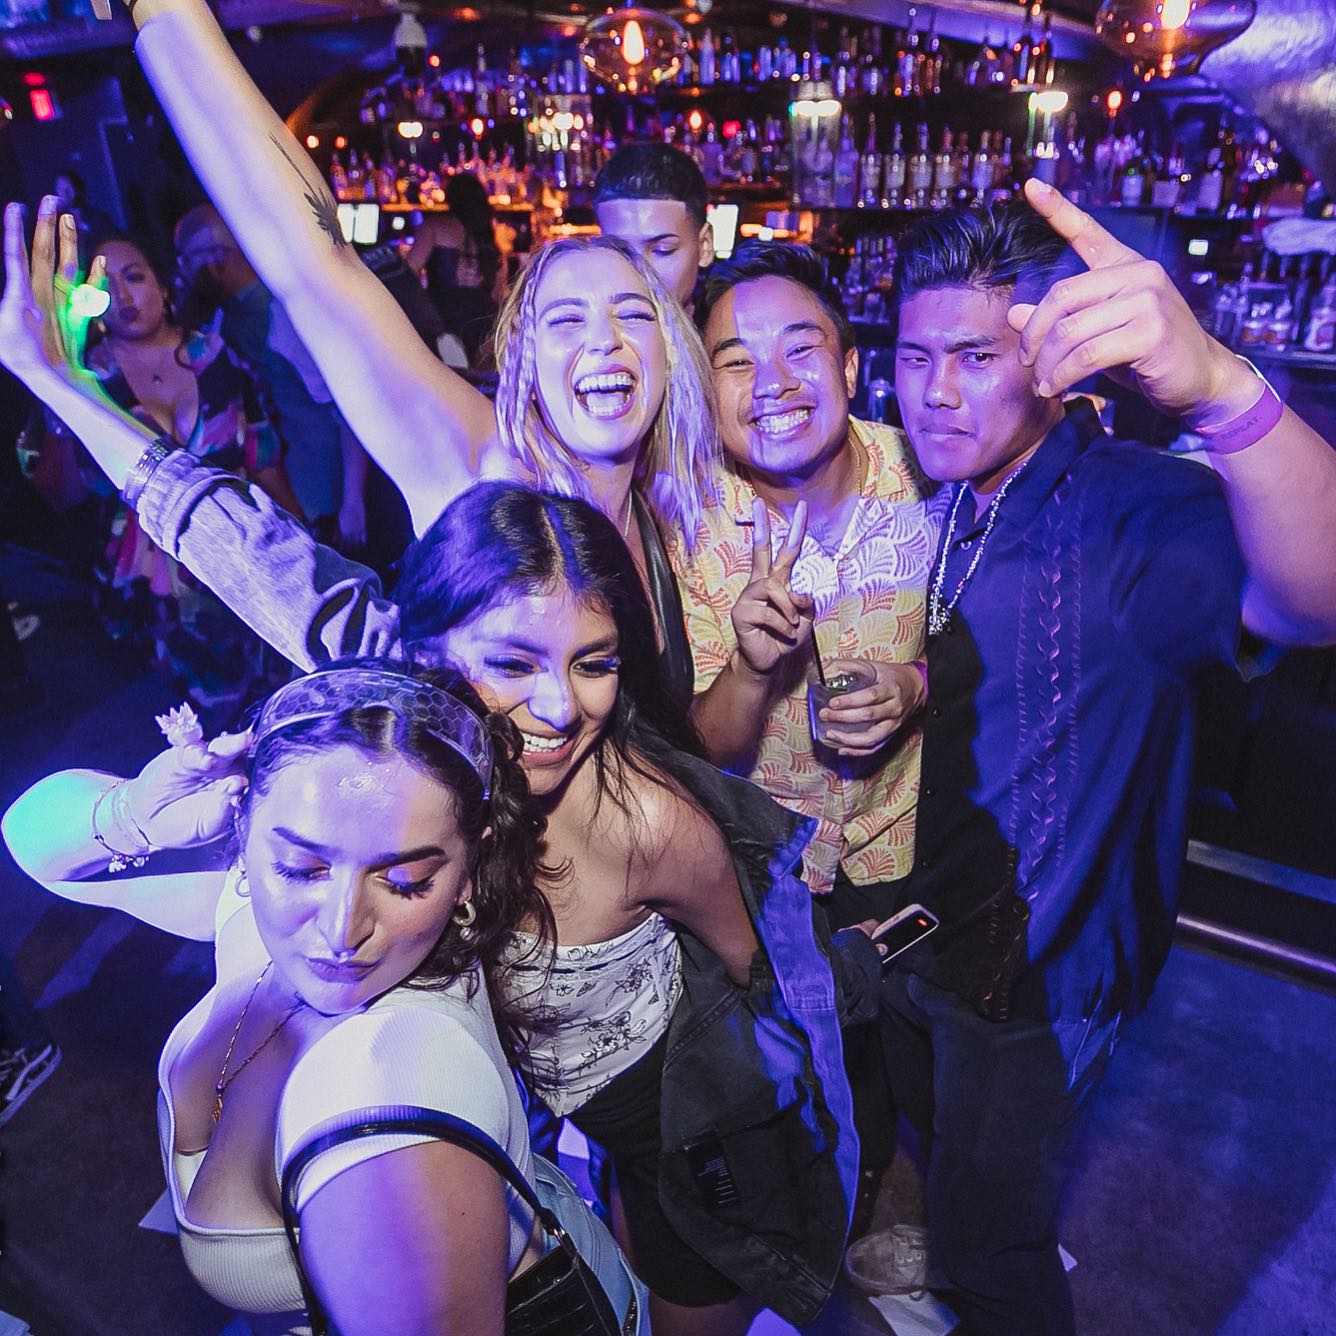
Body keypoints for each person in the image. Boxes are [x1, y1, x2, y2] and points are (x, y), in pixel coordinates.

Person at [865, 182, 1336, 1335]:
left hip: (1036, 981)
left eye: (974, 356)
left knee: (994, 1246)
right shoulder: (914, 490)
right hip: (911, 935)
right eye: (912, 354)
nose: (933, 391)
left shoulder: (1129, 509)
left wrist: (1225, 390)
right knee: (930, 1152)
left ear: (1051, 359)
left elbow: (1314, 597)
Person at [2, 660, 644, 1335]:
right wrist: (138, 814)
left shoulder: (386, 1103)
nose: (341, 931)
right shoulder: (257, 911)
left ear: (467, 874)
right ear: (242, 832)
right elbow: (33, 840)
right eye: (301, 867)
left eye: (403, 880)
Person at [680, 240, 941, 1223]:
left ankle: (884, 1186)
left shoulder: (930, 477)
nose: (772, 383)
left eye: (800, 348)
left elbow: (1018, 651)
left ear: (847, 364)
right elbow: (701, 750)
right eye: (736, 361)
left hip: (908, 845)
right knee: (795, 1068)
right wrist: (751, 666)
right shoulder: (683, 523)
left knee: (908, 1064)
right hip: (768, 876)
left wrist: (916, 683)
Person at [82, 229, 298, 716]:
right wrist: (60, 387)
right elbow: (62, 494)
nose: (121, 296)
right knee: (193, 732)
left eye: (134, 276)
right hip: (150, 588)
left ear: (163, 285)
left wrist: (303, 542)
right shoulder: (89, 380)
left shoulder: (220, 358)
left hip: (240, 560)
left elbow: (263, 460)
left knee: (273, 708)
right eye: (103, 286)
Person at [174, 203, 370, 550]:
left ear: (217, 256)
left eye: (188, 261)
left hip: (321, 496)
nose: (183, 273)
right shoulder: (224, 316)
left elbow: (348, 407)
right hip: (282, 493)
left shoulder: (282, 312)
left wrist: (352, 502)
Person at [593, 143, 715, 311]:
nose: (639, 273)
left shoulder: (733, 331)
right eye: (619, 251)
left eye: (663, 250)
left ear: (705, 246)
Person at [407, 171, 506, 368]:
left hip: (444, 319)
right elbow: (498, 292)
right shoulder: (490, 238)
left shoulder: (434, 227)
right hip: (483, 322)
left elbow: (409, 273)